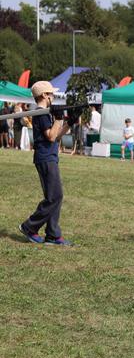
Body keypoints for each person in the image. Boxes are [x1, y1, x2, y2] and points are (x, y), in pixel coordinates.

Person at [18, 81, 73, 246]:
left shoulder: (46, 113)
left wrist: (69, 122)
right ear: (44, 95)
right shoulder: (41, 113)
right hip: (45, 157)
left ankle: (52, 234)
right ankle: (29, 226)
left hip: (50, 156)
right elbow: (50, 136)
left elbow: (56, 136)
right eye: (51, 94)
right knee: (54, 196)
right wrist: (57, 119)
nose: (53, 97)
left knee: (55, 196)